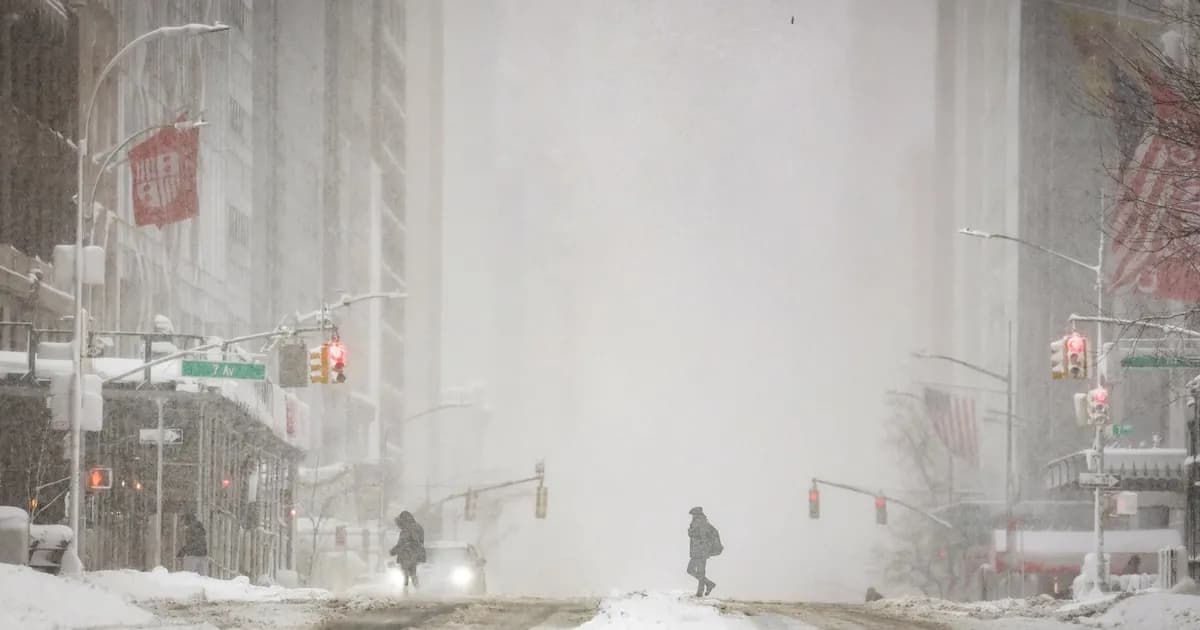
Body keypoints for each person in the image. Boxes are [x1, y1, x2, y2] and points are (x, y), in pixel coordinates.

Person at [686, 506, 721, 597]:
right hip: (699, 551)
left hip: (700, 551)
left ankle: (704, 589)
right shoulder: (701, 522)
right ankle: (705, 588)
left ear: (696, 514)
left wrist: (690, 532)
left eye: (693, 514)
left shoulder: (700, 523)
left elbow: (703, 538)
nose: (692, 516)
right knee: (699, 572)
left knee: (690, 570)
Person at [389, 511, 425, 590]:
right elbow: (420, 541)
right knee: (413, 573)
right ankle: (418, 590)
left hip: (407, 554)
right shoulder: (418, 527)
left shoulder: (407, 529)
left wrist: (393, 551)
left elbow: (402, 543)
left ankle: (405, 590)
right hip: (416, 554)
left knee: (405, 573)